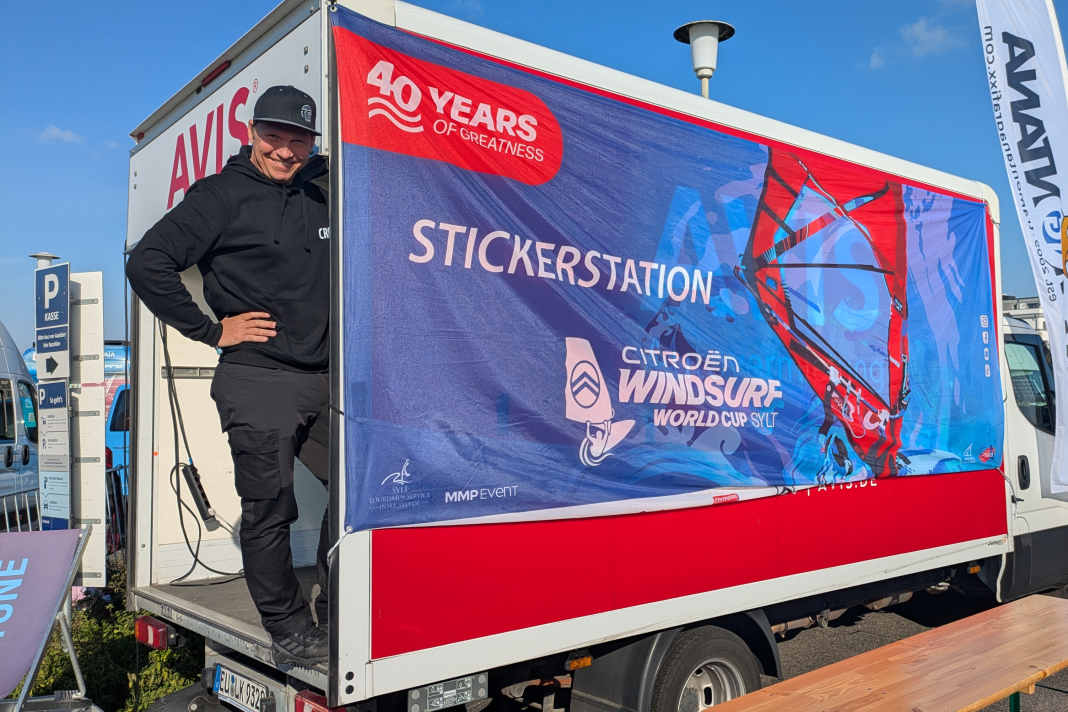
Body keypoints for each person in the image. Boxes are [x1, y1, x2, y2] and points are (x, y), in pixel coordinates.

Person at [126, 85, 331, 667]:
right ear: (251, 133)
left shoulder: (325, 190)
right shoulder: (221, 196)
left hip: (324, 378)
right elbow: (149, 261)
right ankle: (289, 627)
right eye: (275, 137)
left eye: (299, 139)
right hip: (257, 377)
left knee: (355, 495)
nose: (287, 151)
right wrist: (212, 331)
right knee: (270, 506)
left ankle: (342, 608)